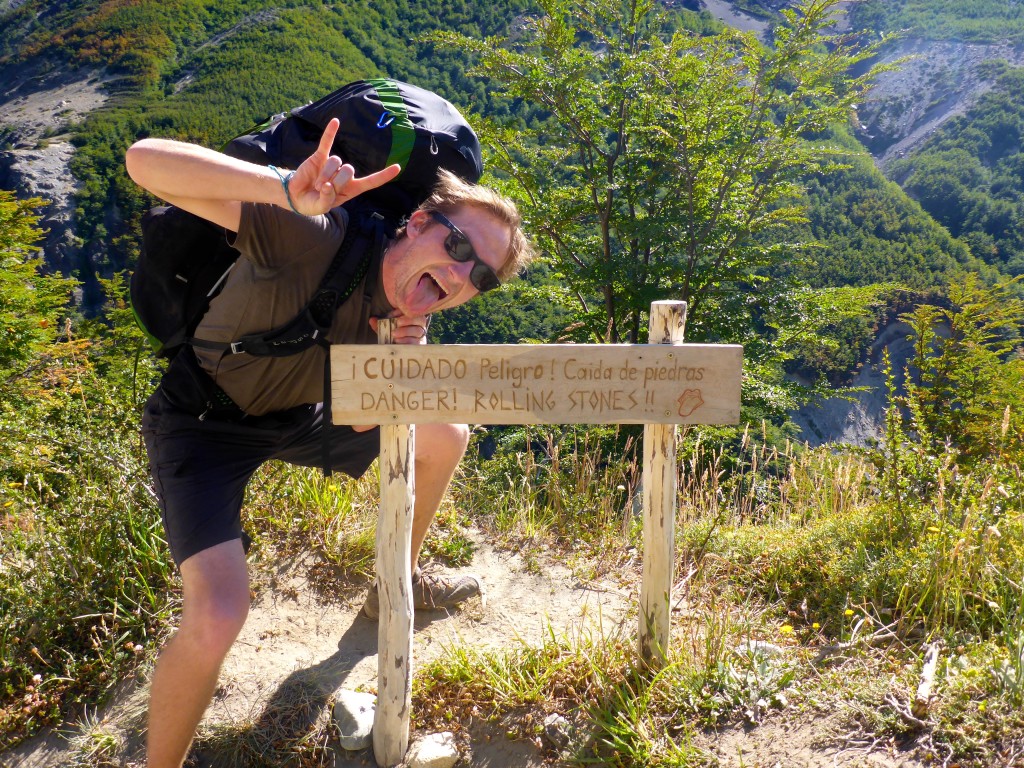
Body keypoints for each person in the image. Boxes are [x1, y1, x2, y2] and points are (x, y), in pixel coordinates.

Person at [125, 116, 533, 768]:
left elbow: (365, 428)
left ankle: (396, 580)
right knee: (218, 615)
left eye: (480, 278)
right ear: (416, 224)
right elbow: (146, 162)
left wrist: (395, 374)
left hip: (301, 412)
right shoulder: (310, 233)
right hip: (203, 419)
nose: (461, 278)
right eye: (458, 247)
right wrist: (281, 188)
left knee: (446, 435)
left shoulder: (403, 321)